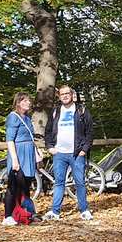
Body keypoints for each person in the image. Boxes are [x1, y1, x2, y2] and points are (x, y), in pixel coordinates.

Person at [43, 85, 94, 221]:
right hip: (59, 153)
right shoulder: (55, 111)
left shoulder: (81, 110)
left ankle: (84, 210)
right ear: (59, 97)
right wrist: (50, 147)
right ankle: (55, 212)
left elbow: (89, 132)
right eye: (62, 94)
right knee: (59, 183)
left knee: (80, 182)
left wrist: (84, 149)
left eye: (67, 93)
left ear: (72, 95)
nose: (65, 96)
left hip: (77, 154)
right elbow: (48, 131)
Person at [3, 92, 38, 226]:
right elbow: (10, 140)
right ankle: (7, 216)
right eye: (24, 101)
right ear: (18, 103)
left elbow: (31, 138)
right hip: (18, 154)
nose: (28, 103)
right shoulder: (13, 117)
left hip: (28, 154)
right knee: (14, 186)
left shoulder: (27, 118)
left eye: (28, 101)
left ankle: (25, 213)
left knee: (25, 186)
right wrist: (15, 160)